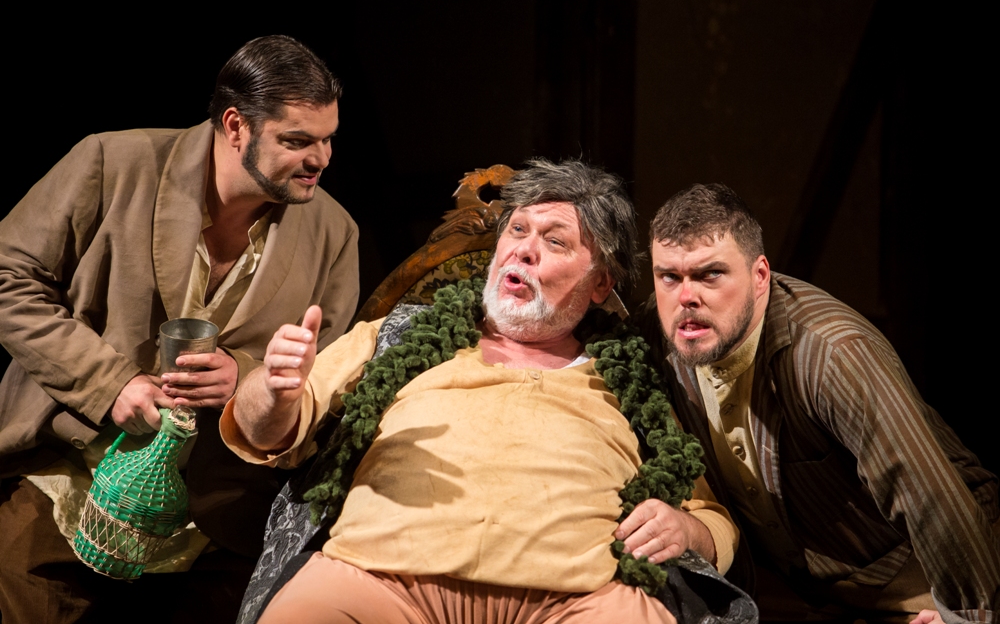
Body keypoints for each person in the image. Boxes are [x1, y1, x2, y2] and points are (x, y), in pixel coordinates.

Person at [221, 160, 752, 624]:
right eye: (517, 230)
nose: (524, 250)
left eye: (555, 241)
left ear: (600, 283)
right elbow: (264, 434)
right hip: (376, 581)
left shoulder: (634, 379)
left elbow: (712, 518)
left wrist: (688, 530)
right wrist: (272, 390)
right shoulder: (397, 335)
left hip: (577, 601)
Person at [0, 35, 359, 623]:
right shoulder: (113, 164)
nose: (320, 159)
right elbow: (8, 277)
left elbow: (330, 378)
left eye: (328, 139)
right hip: (67, 475)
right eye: (297, 141)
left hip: (214, 521)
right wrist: (110, 383)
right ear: (236, 126)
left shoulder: (333, 232)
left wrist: (248, 381)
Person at [648, 183, 1000, 623]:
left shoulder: (832, 353)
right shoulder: (664, 333)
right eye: (670, 277)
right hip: (806, 590)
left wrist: (967, 616)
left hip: (924, 572)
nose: (686, 296)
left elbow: (929, 496)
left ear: (760, 276)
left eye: (710, 274)